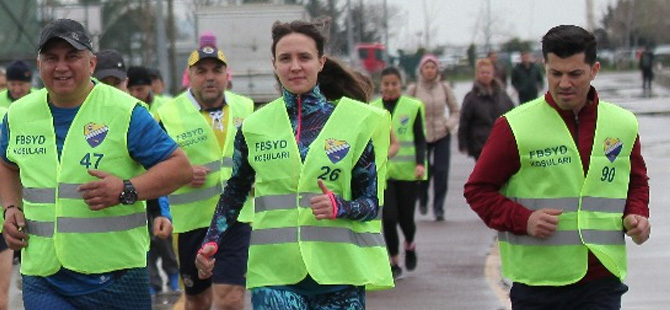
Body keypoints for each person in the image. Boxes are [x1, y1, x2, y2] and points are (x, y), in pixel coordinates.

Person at [195, 20, 393, 309]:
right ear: (274, 64)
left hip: (338, 277)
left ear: (321, 62)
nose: (295, 66)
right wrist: (212, 241)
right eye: (285, 58)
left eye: (304, 57)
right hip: (275, 276)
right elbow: (234, 193)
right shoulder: (253, 127)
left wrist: (341, 207)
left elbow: (371, 202)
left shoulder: (354, 123)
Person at [0, 18, 193, 310]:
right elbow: (6, 164)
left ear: (91, 64)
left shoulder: (125, 112)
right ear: (39, 65)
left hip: (117, 277)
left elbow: (180, 168)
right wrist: (11, 208)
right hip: (44, 276)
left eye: (72, 57)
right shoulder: (18, 114)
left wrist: (127, 189)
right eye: (52, 58)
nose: (61, 67)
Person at [464, 25, 650, 309]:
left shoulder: (622, 124)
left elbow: (636, 182)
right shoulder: (515, 126)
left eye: (575, 74)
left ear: (594, 69)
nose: (564, 83)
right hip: (538, 285)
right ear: (544, 68)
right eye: (556, 73)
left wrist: (637, 214)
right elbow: (477, 190)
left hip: (601, 280)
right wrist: (523, 219)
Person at [157, 45, 255, 310]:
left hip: (236, 219)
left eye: (217, 70)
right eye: (201, 71)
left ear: (227, 75)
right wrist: (181, 173)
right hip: (192, 224)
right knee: (198, 301)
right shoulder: (168, 114)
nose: (210, 77)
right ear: (190, 76)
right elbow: (151, 165)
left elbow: (260, 154)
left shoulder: (246, 107)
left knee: (231, 298)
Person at [371, 66, 426, 279]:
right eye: (386, 84)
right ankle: (394, 260)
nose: (390, 88)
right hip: (384, 174)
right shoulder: (372, 108)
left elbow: (420, 139)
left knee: (406, 219)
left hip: (408, 172)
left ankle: (410, 244)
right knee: (389, 218)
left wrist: (420, 163)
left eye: (394, 83)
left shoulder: (413, 107)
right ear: (380, 85)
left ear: (401, 84)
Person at [407, 54, 459, 221]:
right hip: (421, 136)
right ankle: (423, 198)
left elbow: (455, 110)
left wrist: (448, 124)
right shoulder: (414, 89)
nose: (430, 71)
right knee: (424, 171)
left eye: (433, 67)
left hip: (441, 133)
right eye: (426, 67)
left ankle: (439, 207)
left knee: (442, 171)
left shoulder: (444, 87)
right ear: (421, 70)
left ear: (437, 70)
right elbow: (406, 111)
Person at [458, 58, 515, 161]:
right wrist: (463, 144)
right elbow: (464, 122)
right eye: (482, 72)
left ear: (493, 74)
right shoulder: (471, 98)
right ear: (477, 75)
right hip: (481, 146)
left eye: (488, 72)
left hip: (502, 143)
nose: (485, 75)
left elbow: (514, 115)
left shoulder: (502, 95)